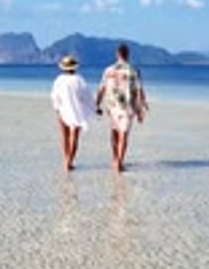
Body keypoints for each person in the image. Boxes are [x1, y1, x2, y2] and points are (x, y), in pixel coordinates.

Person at [95, 43, 148, 172]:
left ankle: (115, 159)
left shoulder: (108, 70)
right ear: (128, 55)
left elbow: (101, 89)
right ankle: (119, 162)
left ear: (117, 54)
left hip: (112, 107)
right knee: (124, 134)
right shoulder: (134, 70)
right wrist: (141, 108)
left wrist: (96, 104)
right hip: (127, 108)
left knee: (114, 133)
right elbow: (139, 91)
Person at [51, 55, 95, 171]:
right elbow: (87, 97)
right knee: (74, 137)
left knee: (64, 136)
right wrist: (95, 108)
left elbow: (55, 96)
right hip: (76, 111)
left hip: (62, 110)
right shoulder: (79, 80)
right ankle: (69, 162)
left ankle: (66, 160)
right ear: (75, 67)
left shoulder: (59, 80)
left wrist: (57, 109)